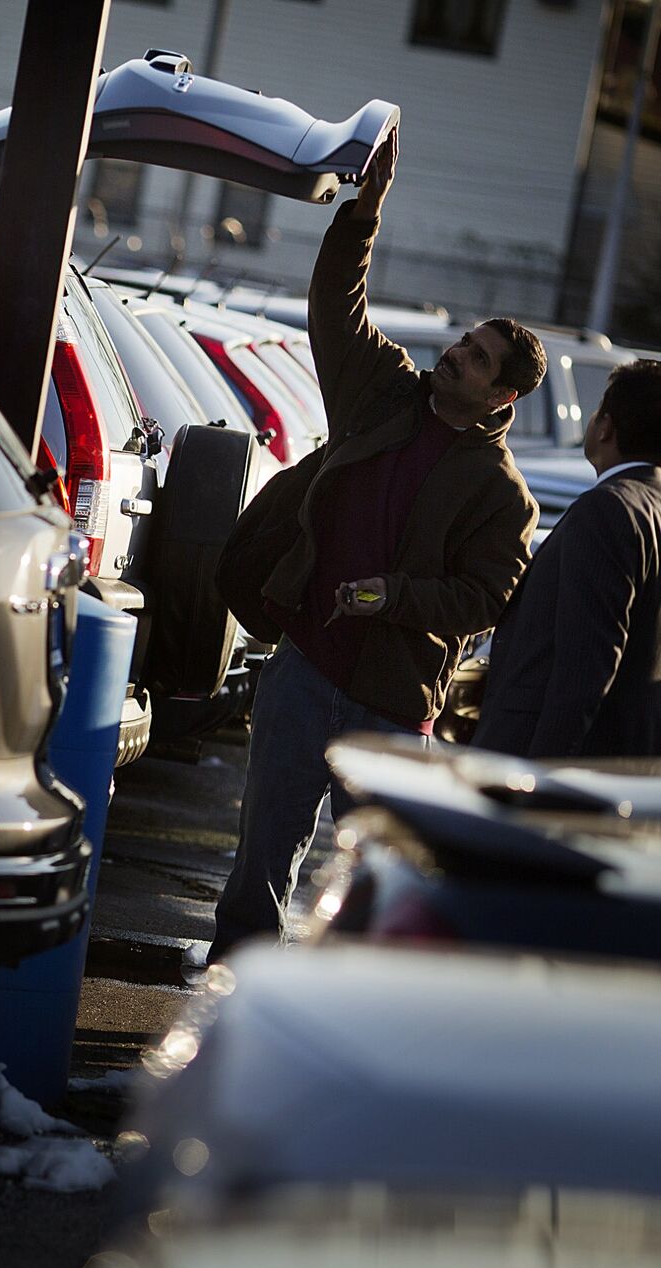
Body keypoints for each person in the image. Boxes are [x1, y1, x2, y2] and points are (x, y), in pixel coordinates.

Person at [208, 126, 541, 960]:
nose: (455, 355)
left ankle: (336, 1040)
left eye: (474, 360)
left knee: (377, 898)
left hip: (395, 711)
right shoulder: (386, 392)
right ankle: (224, 1019)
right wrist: (366, 208)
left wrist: (395, 595)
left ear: (500, 394)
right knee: (257, 872)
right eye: (463, 342)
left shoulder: (504, 496)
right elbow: (336, 303)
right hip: (304, 670)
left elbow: (487, 597)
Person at [473, 361, 661, 757]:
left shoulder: (608, 508)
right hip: (630, 761)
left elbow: (585, 667)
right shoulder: (650, 507)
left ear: (605, 427)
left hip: (549, 764)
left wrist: (540, 781)